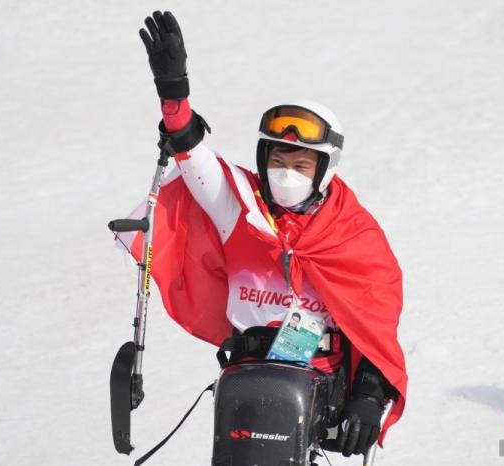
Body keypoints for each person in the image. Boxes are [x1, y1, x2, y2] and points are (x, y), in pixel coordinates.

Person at [131, 10, 408, 458]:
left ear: (324, 170)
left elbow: (374, 323)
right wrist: (173, 95)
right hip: (246, 380)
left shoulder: (354, 236)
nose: (286, 174)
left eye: (300, 165)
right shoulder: (242, 211)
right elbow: (193, 157)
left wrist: (369, 397)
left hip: (318, 387)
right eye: (277, 161)